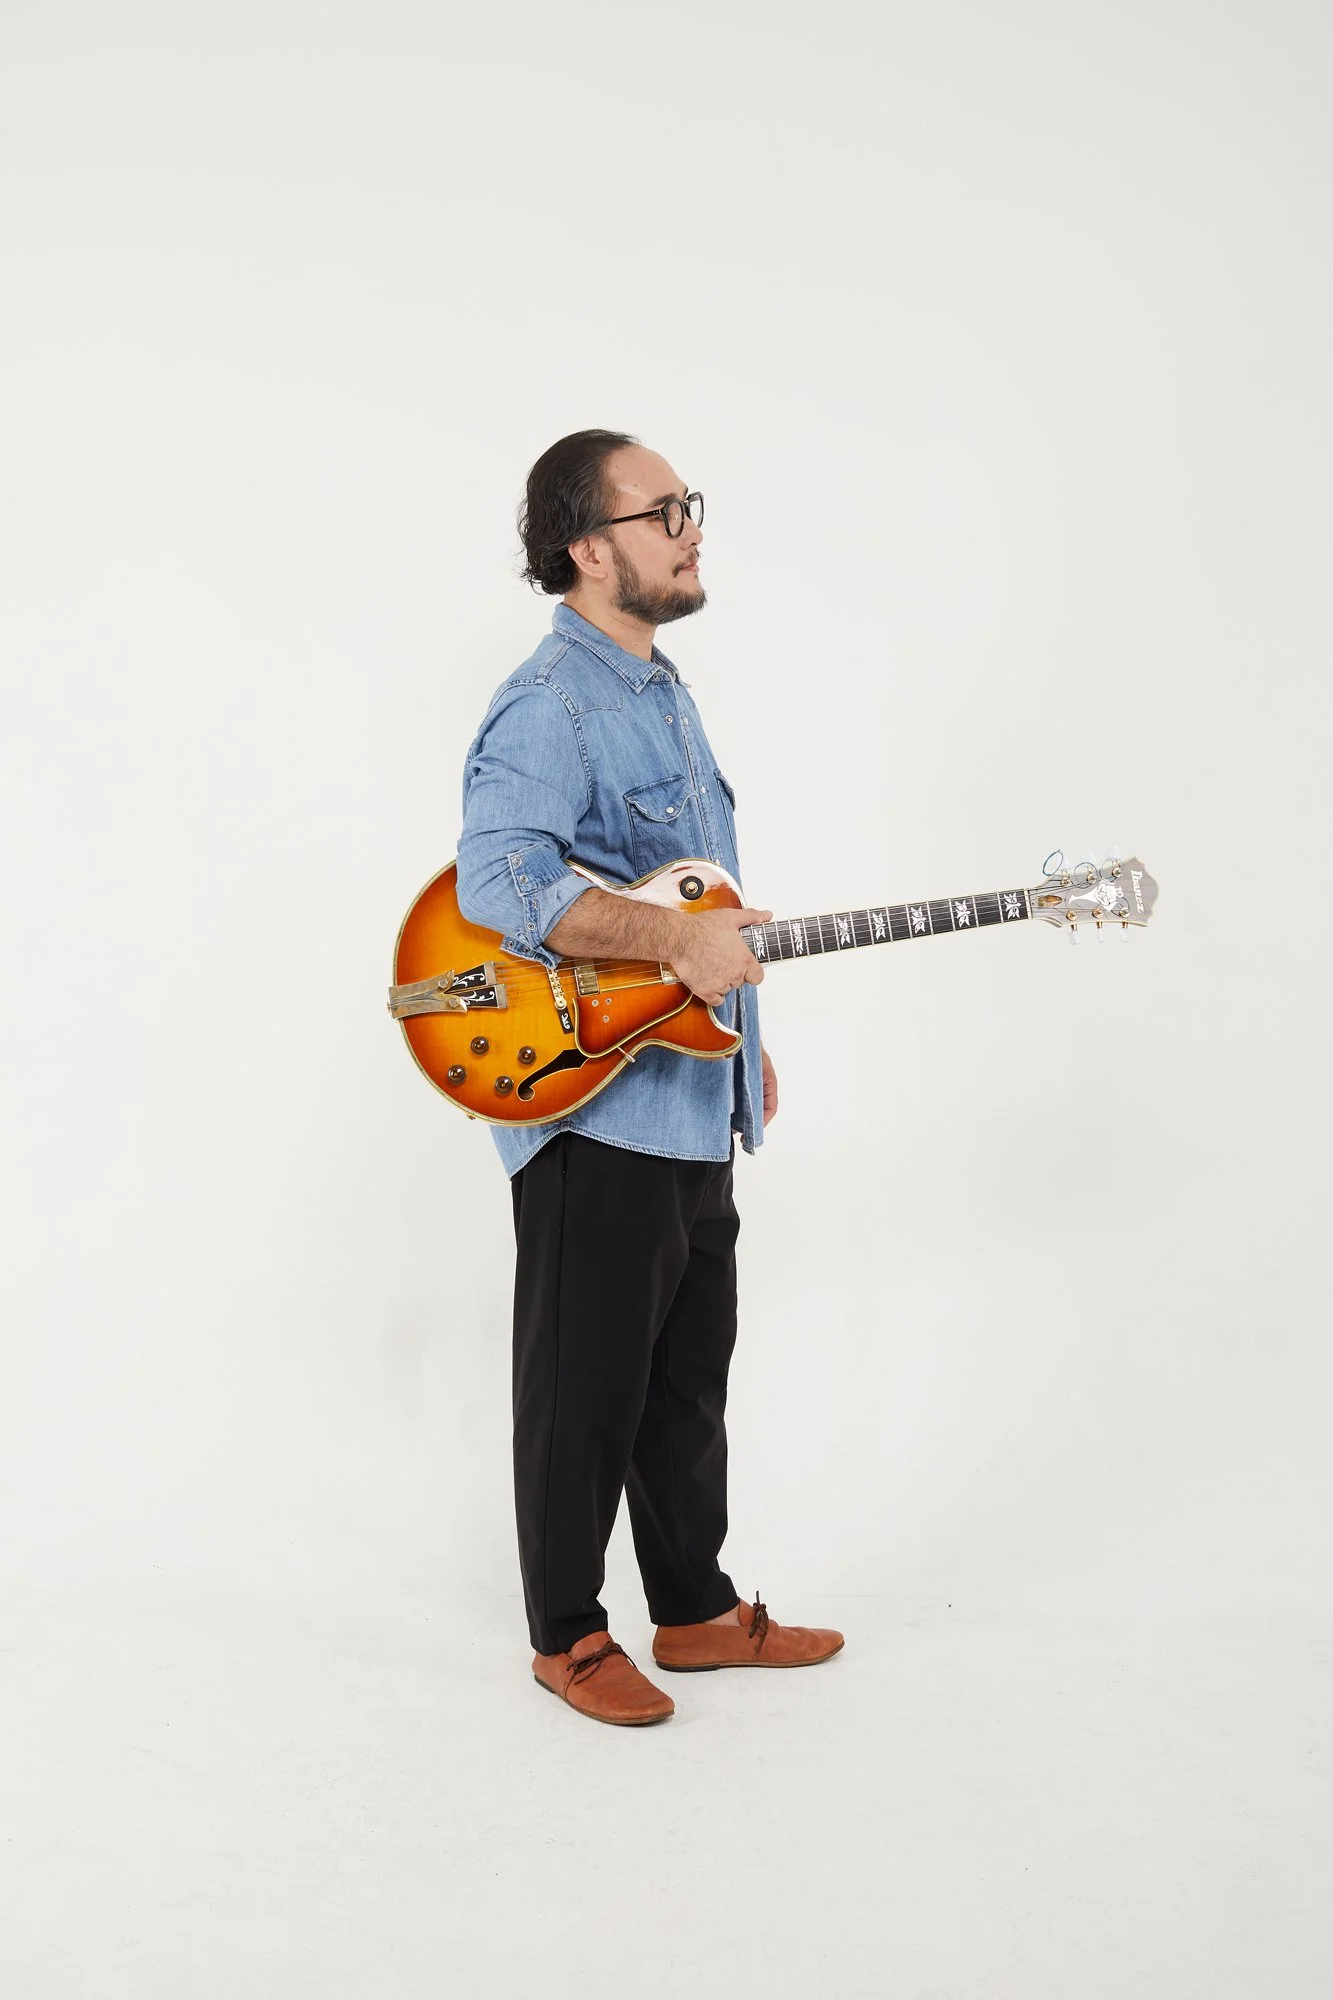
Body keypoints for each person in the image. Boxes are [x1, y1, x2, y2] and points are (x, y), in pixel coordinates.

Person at [455, 430, 844, 1726]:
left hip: (689, 1099)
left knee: (687, 1378)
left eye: (691, 505)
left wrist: (741, 1037)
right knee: (586, 1381)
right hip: (592, 1108)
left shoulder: (660, 688)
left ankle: (692, 1609)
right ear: (589, 546)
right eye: (662, 508)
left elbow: (694, 903)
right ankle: (567, 1634)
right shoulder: (549, 700)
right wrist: (678, 941)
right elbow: (502, 880)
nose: (690, 526)